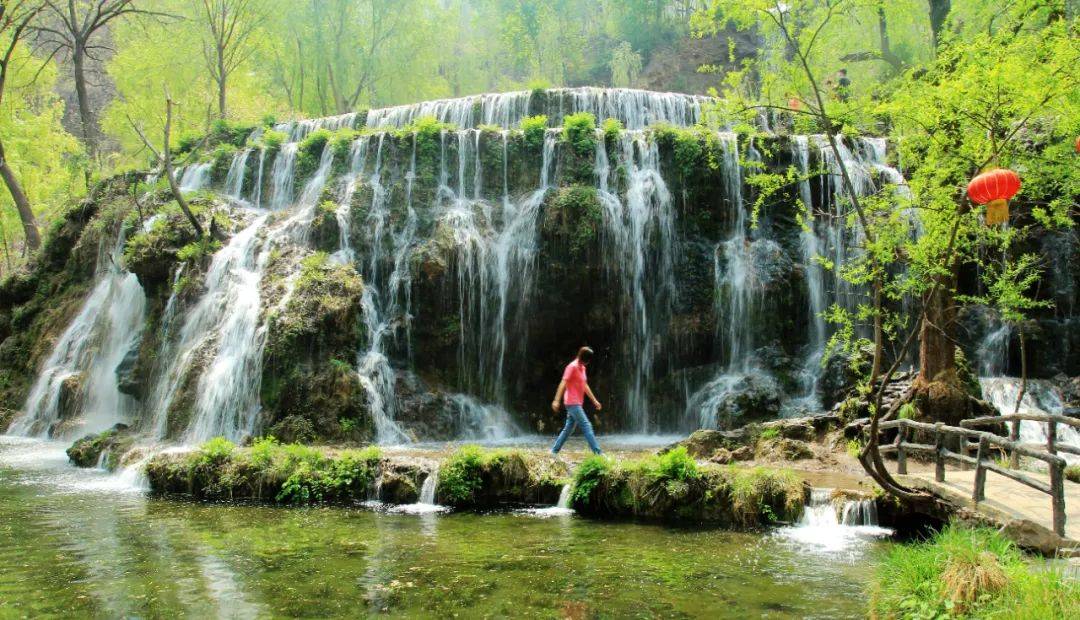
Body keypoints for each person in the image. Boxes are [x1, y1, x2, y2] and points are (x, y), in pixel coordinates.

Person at [550, 346, 603, 456]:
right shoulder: (572, 367)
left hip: (577, 403)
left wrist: (594, 400)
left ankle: (554, 451)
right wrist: (556, 400)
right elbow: (563, 383)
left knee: (568, 429)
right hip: (572, 403)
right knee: (587, 425)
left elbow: (584, 385)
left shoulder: (582, 368)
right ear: (585, 358)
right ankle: (598, 453)